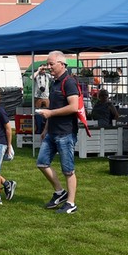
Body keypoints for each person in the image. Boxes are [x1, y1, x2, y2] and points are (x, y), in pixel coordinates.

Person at [35, 51, 81, 213]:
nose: (48, 67)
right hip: (52, 132)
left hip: (66, 133)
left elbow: (74, 107)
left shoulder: (69, 82)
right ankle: (60, 192)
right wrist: (46, 128)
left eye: (51, 64)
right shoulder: (55, 83)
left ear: (62, 64)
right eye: (48, 64)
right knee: (41, 162)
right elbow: (52, 108)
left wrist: (50, 114)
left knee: (68, 170)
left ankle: (71, 203)